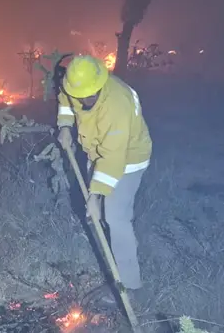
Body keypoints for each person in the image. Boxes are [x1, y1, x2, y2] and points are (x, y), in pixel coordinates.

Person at [56, 54, 152, 291]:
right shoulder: (76, 86)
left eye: (90, 95)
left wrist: (95, 194)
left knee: (116, 219)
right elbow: (66, 101)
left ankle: (129, 285)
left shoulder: (117, 104)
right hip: (97, 153)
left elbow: (112, 159)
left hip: (127, 159)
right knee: (96, 213)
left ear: (99, 84)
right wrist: (65, 126)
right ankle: (108, 263)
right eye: (80, 95)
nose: (85, 99)